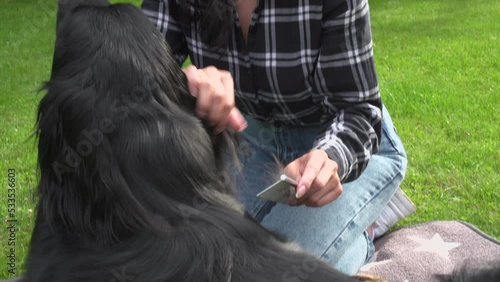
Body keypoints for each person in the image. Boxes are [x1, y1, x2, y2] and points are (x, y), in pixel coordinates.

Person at [142, 0, 414, 275]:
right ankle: (352, 226)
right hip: (252, 136)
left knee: (267, 271)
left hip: (346, 142)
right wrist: (181, 84)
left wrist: (331, 157)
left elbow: (358, 110)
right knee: (198, 257)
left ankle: (363, 221)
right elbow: (137, 77)